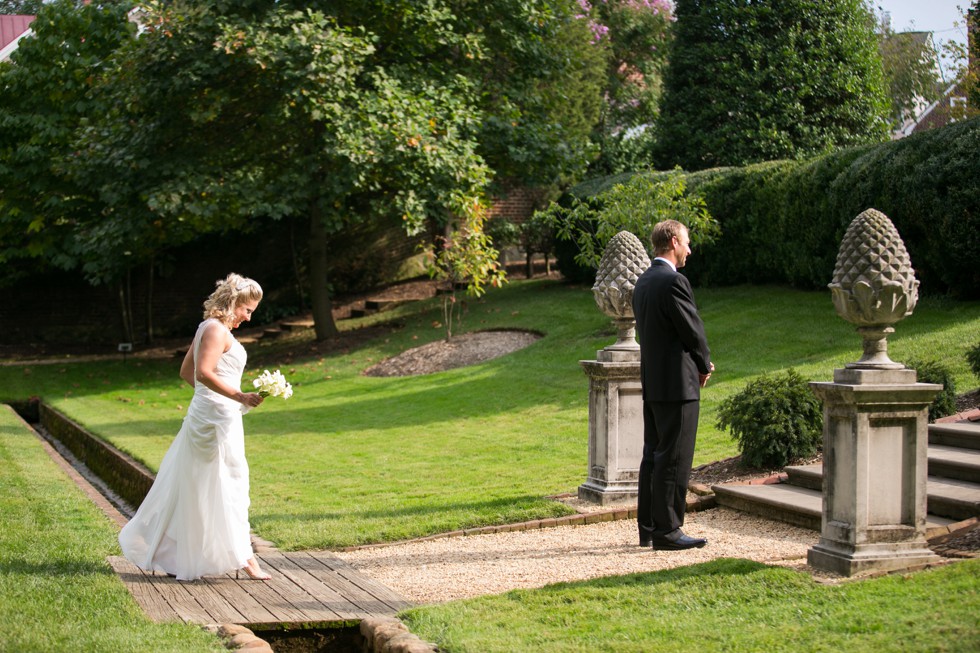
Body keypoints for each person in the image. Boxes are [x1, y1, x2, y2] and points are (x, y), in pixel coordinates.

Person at [119, 273, 271, 580]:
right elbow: (201, 372)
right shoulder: (215, 330)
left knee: (206, 486)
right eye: (247, 310)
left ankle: (227, 554)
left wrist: (217, 399)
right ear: (234, 302)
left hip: (214, 415)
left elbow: (186, 372)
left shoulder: (209, 327)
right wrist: (236, 395)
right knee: (227, 484)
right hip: (215, 422)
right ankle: (244, 557)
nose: (248, 317)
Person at [632, 220, 714, 551]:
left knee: (653, 455)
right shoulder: (673, 281)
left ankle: (648, 528)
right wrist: (703, 364)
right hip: (678, 386)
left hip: (653, 384)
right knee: (674, 457)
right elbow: (691, 330)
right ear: (674, 240)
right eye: (688, 243)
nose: (689, 250)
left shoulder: (643, 282)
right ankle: (668, 530)